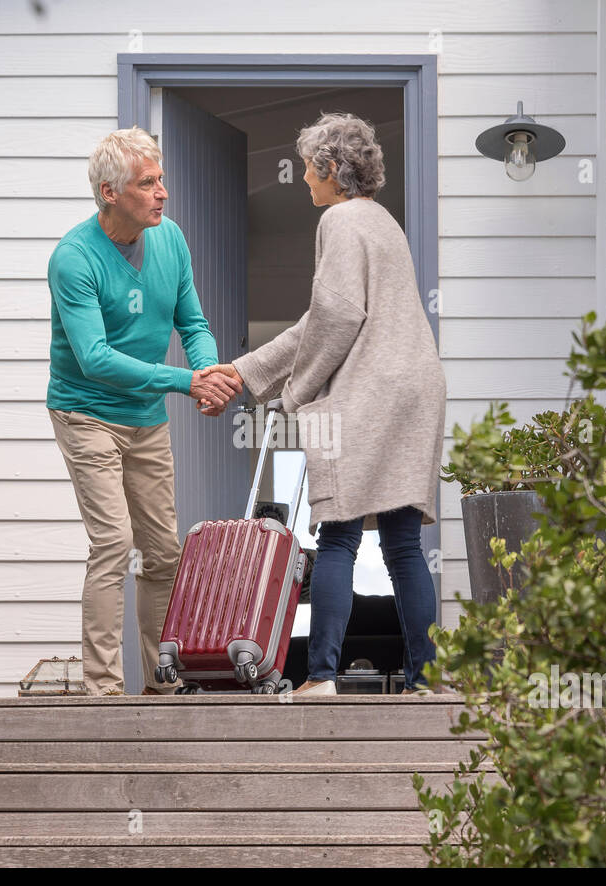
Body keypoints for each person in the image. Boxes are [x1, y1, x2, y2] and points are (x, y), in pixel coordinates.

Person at [203, 112, 448, 696]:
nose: (305, 180)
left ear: (332, 170)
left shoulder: (339, 219)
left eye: (310, 169)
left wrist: (295, 394)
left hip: (371, 389)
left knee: (336, 530)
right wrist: (245, 371)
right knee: (403, 540)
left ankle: (321, 676)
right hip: (415, 385)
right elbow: (323, 318)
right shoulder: (383, 222)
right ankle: (428, 680)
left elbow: (338, 314)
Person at [46, 127, 240, 696]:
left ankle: (162, 685)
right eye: (147, 183)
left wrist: (208, 377)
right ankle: (103, 690)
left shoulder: (170, 239)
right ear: (109, 192)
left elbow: (193, 324)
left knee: (162, 551)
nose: (162, 193)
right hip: (86, 413)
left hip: (145, 416)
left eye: (162, 180)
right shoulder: (74, 259)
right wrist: (187, 380)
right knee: (112, 543)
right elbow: (96, 359)